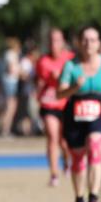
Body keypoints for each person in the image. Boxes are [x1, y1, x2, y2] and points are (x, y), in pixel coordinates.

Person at [57, 25, 101, 202]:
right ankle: (79, 199)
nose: (88, 44)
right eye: (85, 39)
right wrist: (74, 87)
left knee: (94, 146)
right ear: (79, 42)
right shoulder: (71, 66)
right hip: (75, 111)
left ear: (99, 43)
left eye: (93, 40)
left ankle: (93, 197)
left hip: (99, 109)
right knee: (77, 157)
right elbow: (60, 92)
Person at [36, 28, 75, 187]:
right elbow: (42, 81)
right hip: (49, 103)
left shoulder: (71, 59)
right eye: (51, 40)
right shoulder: (43, 61)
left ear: (63, 42)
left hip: (67, 104)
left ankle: (67, 162)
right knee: (52, 137)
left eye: (57, 40)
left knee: (64, 142)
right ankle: (54, 174)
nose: (54, 44)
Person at [0, 38, 21, 136]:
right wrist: (21, 72)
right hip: (11, 82)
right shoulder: (11, 54)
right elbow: (11, 69)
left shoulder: (7, 54)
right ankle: (5, 130)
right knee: (10, 107)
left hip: (9, 82)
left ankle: (2, 128)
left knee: (8, 107)